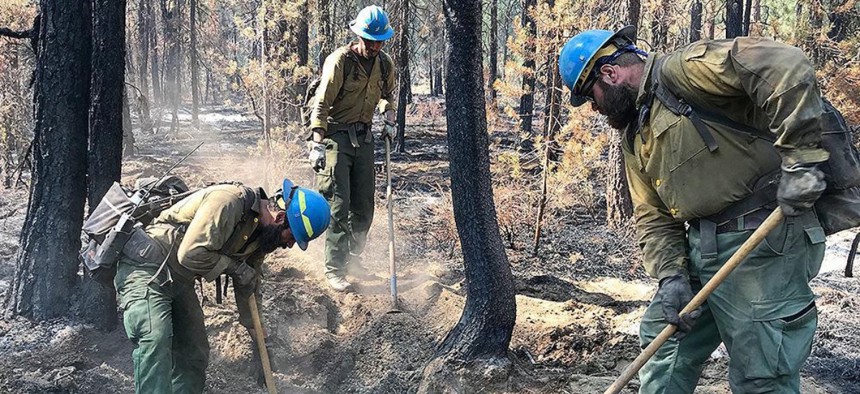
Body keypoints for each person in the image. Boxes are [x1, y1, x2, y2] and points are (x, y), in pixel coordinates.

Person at [559, 27, 829, 392]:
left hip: (764, 245)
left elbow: (787, 63)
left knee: (762, 372)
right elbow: (652, 215)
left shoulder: (684, 70)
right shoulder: (634, 134)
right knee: (664, 344)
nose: (594, 107)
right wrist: (671, 276)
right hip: (701, 250)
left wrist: (801, 160)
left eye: (590, 96)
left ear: (609, 74)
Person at [114, 179, 330, 393]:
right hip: (147, 267)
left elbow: (249, 286)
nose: (289, 245)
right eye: (292, 236)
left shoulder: (262, 236)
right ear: (280, 217)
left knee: (194, 354)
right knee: (155, 338)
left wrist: (260, 343)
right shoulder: (229, 202)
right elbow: (190, 254)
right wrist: (236, 268)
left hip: (180, 279)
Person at [307, 4, 397, 292]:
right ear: (358, 36)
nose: (373, 46)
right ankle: (335, 267)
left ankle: (353, 260)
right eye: (368, 40)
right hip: (336, 140)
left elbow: (387, 96)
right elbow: (321, 103)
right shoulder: (340, 61)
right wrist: (317, 144)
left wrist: (389, 116)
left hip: (365, 138)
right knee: (338, 204)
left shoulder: (385, 64)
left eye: (378, 41)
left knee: (364, 207)